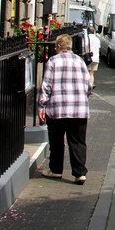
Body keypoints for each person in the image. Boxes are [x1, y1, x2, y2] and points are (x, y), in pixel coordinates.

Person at [38, 34, 91, 185]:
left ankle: (55, 170)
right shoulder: (80, 61)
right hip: (79, 109)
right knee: (78, 141)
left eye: (55, 47)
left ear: (59, 47)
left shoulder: (53, 61)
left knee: (56, 141)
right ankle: (80, 173)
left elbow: (46, 85)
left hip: (58, 109)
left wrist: (42, 105)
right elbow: (88, 85)